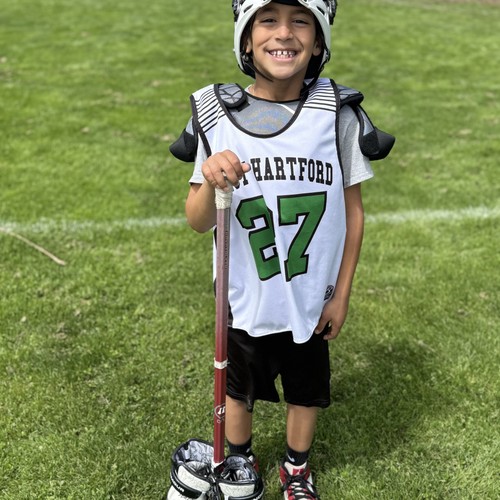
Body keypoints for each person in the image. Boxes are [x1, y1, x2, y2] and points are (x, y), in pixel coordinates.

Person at [170, 1, 394, 498]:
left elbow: (353, 213)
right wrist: (211, 180)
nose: (284, 33)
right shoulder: (217, 115)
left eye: (300, 21)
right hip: (243, 295)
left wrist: (341, 294)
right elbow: (197, 220)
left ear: (318, 41)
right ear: (246, 39)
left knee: (305, 390)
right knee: (238, 389)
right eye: (268, 20)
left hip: (310, 296)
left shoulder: (336, 114)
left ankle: (296, 469)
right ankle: (239, 465)